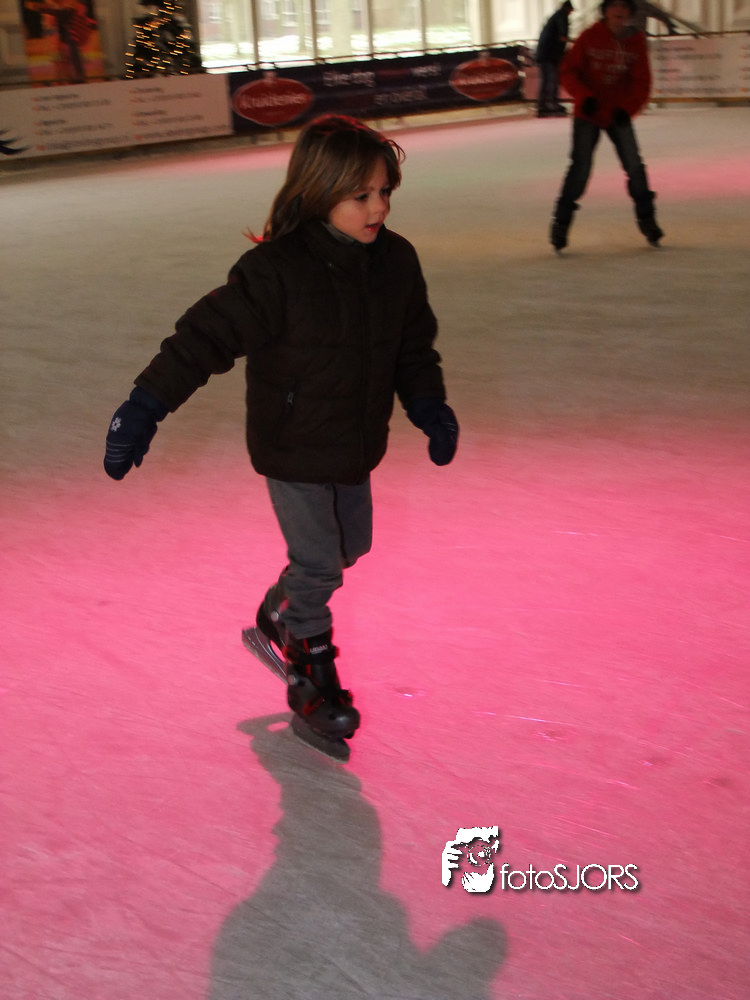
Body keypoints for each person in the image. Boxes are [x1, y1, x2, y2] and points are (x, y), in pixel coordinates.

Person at [103, 115, 459, 755]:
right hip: (292, 444)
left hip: (354, 442)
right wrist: (144, 406)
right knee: (319, 563)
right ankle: (311, 673)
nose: (379, 207)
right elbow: (203, 339)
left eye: (385, 192)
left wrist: (429, 404)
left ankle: (280, 611)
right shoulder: (275, 271)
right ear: (321, 191)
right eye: (361, 195)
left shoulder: (395, 261)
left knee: (349, 548)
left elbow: (412, 345)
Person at [549, 0, 664, 251]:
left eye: (624, 6)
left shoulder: (636, 42)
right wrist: (584, 97)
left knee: (634, 165)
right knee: (580, 167)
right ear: (605, 11)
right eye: (614, 6)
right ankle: (561, 222)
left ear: (630, 12)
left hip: (617, 112)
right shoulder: (589, 37)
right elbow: (568, 71)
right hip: (588, 111)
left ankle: (648, 220)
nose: (619, 10)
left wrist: (627, 109)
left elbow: (642, 82)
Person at [535, 1, 574, 117]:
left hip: (544, 53)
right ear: (568, 9)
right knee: (552, 78)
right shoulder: (561, 17)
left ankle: (542, 104)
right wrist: (574, 42)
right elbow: (562, 36)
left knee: (546, 79)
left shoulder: (555, 17)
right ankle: (551, 103)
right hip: (549, 54)